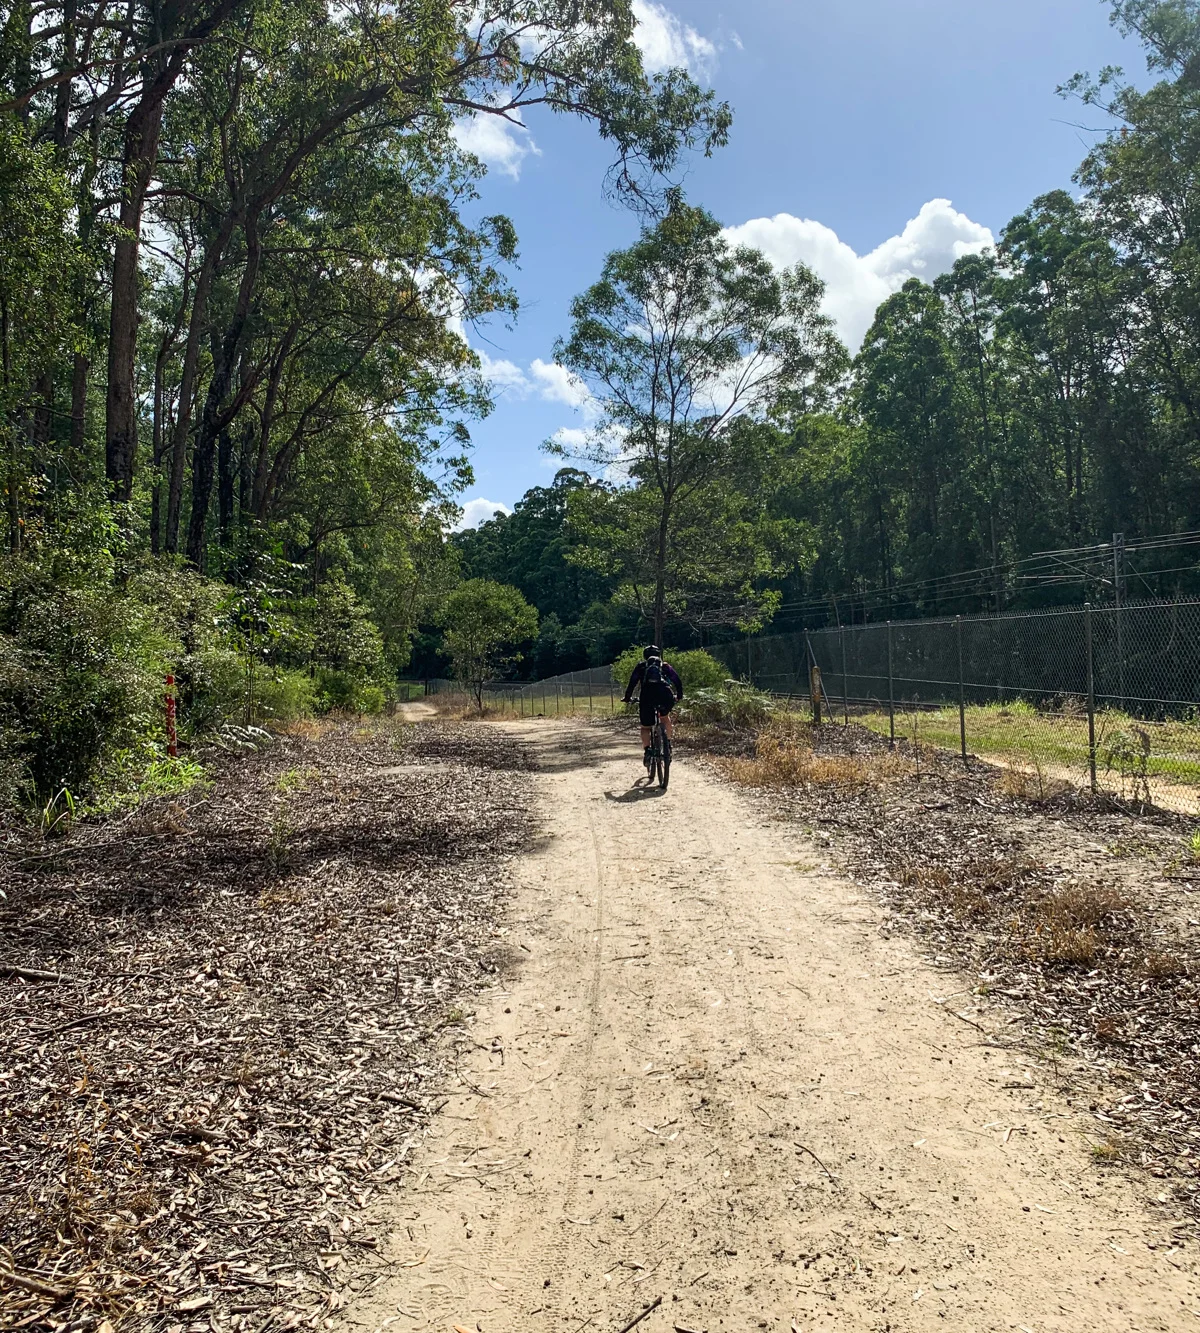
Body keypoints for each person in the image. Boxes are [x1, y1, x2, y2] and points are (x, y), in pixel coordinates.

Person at [622, 645, 683, 769]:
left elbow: (632, 683)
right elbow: (677, 681)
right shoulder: (665, 666)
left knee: (645, 727)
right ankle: (668, 744)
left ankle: (648, 751)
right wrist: (679, 696)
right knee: (665, 717)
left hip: (647, 697)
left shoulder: (641, 667)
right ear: (659, 655)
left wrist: (627, 698)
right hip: (665, 695)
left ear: (645, 656)